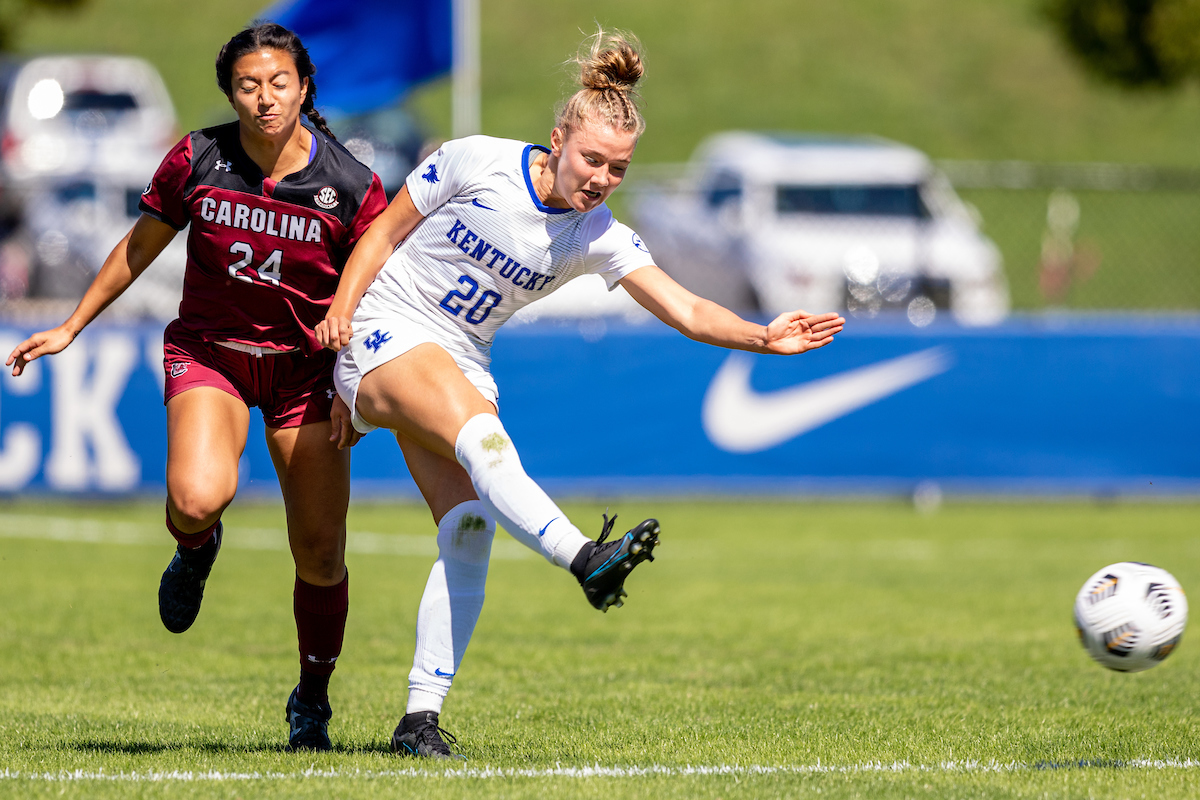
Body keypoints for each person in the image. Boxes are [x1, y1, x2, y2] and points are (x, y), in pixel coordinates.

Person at [316, 28, 845, 760]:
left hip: (462, 355)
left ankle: (419, 720)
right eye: (591, 158)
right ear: (558, 138)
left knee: (469, 529)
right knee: (486, 441)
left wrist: (763, 336)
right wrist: (343, 310)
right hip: (384, 325)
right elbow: (380, 234)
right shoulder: (479, 159)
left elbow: (687, 309)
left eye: (617, 168)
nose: (600, 177)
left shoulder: (598, 234)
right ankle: (583, 557)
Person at [6, 23, 387, 752]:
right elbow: (139, 246)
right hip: (210, 352)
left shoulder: (350, 185)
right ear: (230, 93)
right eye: (248, 85)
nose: (265, 98)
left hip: (303, 372)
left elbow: (377, 285)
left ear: (305, 87)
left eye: (279, 83)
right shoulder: (198, 158)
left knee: (319, 551)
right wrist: (71, 326)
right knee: (194, 498)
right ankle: (196, 548)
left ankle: (311, 700)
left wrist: (355, 379)